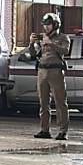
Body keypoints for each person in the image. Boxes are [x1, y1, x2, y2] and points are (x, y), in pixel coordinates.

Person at [28, 13, 70, 141]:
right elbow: (33, 54)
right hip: (42, 70)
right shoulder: (42, 38)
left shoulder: (63, 37)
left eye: (49, 24)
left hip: (55, 71)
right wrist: (31, 44)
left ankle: (63, 131)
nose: (46, 27)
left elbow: (65, 50)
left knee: (60, 102)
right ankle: (44, 129)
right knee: (43, 102)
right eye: (44, 25)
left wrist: (50, 43)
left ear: (55, 25)